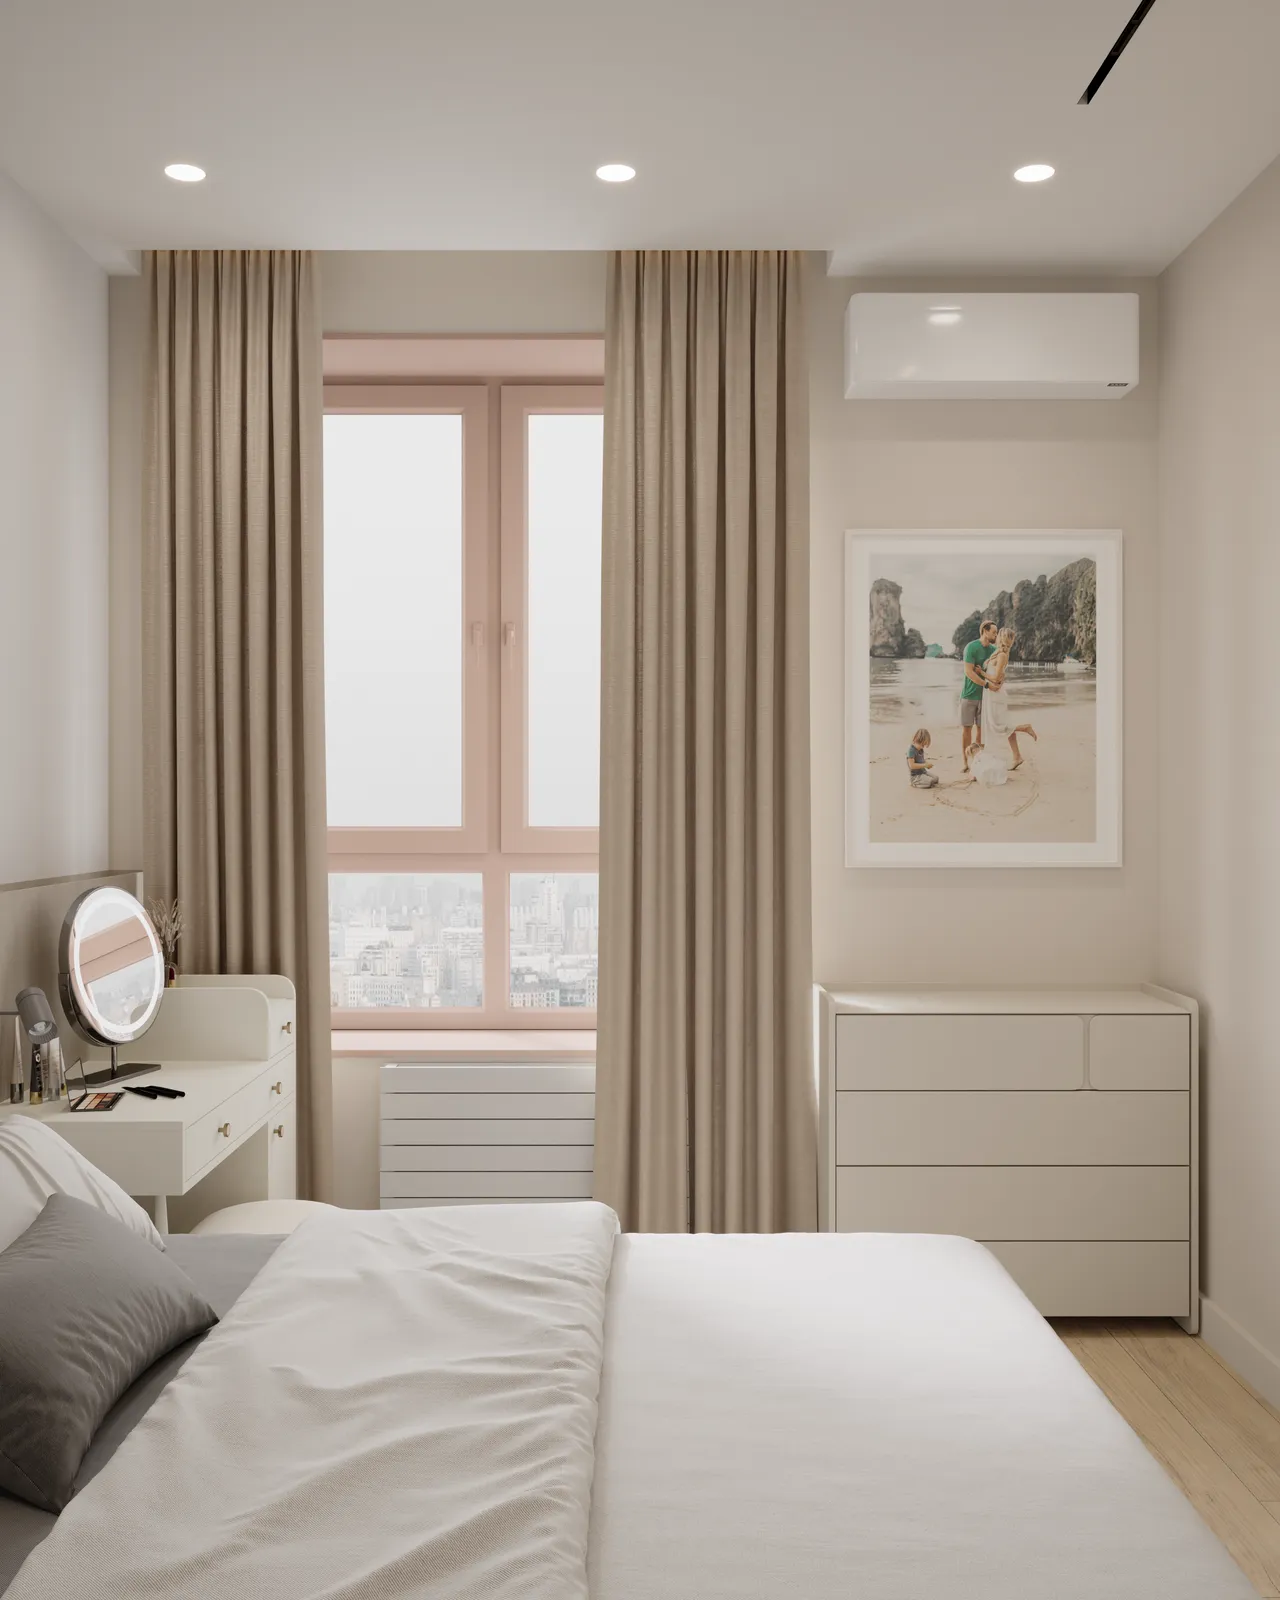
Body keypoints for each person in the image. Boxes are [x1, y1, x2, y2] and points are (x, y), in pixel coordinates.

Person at [982, 626, 1039, 769]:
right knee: (1004, 726)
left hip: (996, 695)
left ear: (1002, 638)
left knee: (998, 726)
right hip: (992, 694)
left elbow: (995, 678)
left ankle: (1025, 727)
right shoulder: (997, 652)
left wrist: (981, 673)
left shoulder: (1002, 655)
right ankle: (1017, 757)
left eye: (998, 634)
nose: (995, 636)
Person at [960, 619, 999, 772]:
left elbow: (997, 671)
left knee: (981, 731)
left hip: (986, 698)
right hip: (969, 695)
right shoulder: (971, 647)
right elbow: (968, 672)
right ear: (985, 631)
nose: (996, 635)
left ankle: (978, 760)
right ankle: (965, 762)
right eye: (994, 632)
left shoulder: (993, 651)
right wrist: (987, 684)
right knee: (967, 730)